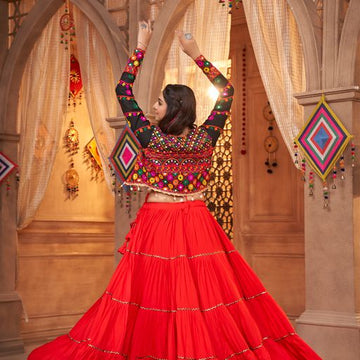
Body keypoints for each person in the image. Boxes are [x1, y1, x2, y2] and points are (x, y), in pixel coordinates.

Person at [28, 21, 322, 360]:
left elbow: (123, 90)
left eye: (158, 103)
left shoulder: (151, 137)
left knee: (165, 294)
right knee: (186, 296)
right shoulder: (204, 137)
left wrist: (141, 47)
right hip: (194, 220)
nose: (153, 108)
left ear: (174, 108)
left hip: (160, 219)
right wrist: (195, 54)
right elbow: (226, 90)